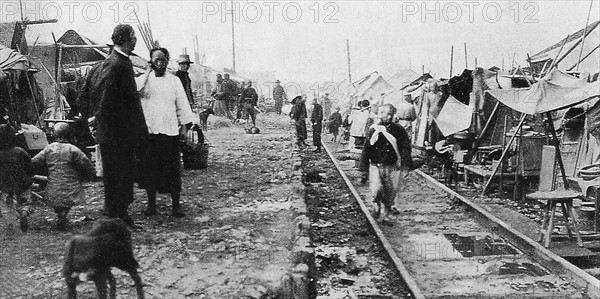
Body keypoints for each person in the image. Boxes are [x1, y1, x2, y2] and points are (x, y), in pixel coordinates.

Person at [77, 24, 148, 227]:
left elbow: (83, 97)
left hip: (107, 132)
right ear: (126, 39)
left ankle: (115, 214)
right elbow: (119, 100)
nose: (136, 40)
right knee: (123, 174)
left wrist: (91, 119)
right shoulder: (120, 65)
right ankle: (120, 217)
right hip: (120, 132)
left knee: (112, 173)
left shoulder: (101, 65)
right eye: (133, 36)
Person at [137, 48, 197, 218]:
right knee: (150, 169)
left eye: (163, 60)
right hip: (150, 131)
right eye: (156, 60)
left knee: (172, 169)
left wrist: (184, 126)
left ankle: (176, 205)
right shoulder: (144, 80)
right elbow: (136, 90)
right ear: (151, 61)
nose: (160, 63)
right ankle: (151, 204)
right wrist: (147, 72)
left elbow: (182, 104)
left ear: (167, 61)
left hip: (170, 131)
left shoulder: (174, 81)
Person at [32, 123, 95, 230]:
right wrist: (89, 175)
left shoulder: (48, 149)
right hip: (71, 186)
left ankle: (61, 216)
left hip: (53, 186)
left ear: (55, 134)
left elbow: (34, 161)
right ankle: (63, 216)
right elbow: (87, 165)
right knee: (66, 202)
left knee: (58, 201)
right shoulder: (73, 149)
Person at [359, 104, 413, 223]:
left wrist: (406, 166)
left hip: (392, 165)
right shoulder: (373, 129)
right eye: (383, 113)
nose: (385, 116)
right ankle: (376, 204)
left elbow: (405, 148)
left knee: (390, 191)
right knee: (377, 189)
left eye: (388, 114)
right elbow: (366, 148)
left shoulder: (398, 130)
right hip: (376, 165)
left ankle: (387, 214)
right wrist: (363, 167)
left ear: (392, 115)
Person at [0, 124, 32, 221]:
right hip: (22, 183)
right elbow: (30, 166)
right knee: (25, 202)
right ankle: (24, 212)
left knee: (6, 206)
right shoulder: (20, 151)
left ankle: (10, 226)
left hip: (5, 184)